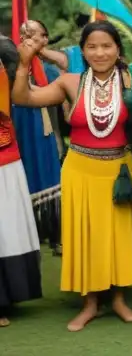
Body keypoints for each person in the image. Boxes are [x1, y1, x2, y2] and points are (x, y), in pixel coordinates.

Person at [12, 21, 132, 332]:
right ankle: (89, 303)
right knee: (86, 237)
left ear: (118, 49)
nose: (100, 52)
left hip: (120, 173)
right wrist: (24, 62)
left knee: (117, 236)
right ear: (82, 51)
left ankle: (118, 299)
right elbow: (24, 99)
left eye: (106, 46)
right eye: (92, 47)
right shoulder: (69, 82)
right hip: (80, 171)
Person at [10, 20, 63, 252]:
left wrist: (38, 52)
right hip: (15, 127)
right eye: (24, 33)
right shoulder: (10, 67)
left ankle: (54, 232)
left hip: (44, 126)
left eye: (34, 34)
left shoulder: (51, 68)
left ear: (45, 39)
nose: (27, 37)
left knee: (47, 170)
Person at [0, 35, 41, 328]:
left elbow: (17, 94)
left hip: (2, 151)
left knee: (5, 225)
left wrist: (25, 60)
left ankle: (5, 298)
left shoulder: (3, 50)